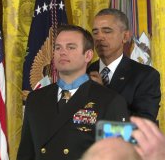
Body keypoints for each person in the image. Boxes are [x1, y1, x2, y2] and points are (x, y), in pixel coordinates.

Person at [17, 24, 129, 160]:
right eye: (58, 48)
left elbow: (120, 156)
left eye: (71, 47)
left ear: (88, 55)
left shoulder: (111, 101)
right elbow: (25, 154)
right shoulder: (35, 98)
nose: (62, 52)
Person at [87, 8, 161, 122]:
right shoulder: (84, 71)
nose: (99, 37)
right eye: (95, 32)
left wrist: (102, 94)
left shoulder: (146, 76)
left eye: (107, 31)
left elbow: (144, 123)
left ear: (125, 37)